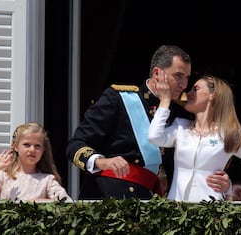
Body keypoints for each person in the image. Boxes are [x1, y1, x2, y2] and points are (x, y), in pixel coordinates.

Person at [66, 45, 231, 200]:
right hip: (107, 198)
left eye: (187, 78)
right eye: (178, 76)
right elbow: (76, 145)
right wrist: (102, 162)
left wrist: (224, 184)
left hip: (150, 202)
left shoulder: (179, 114)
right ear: (157, 73)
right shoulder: (119, 99)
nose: (184, 85)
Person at [148, 74, 241, 202]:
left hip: (210, 215)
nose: (188, 93)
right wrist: (165, 102)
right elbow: (154, 137)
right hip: (176, 211)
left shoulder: (228, 135)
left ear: (213, 96)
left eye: (196, 89)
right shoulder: (180, 127)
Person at [0, 122, 71, 202]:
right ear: (16, 146)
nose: (32, 150)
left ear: (43, 150)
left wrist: (35, 202)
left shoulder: (47, 180)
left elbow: (66, 202)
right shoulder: (4, 177)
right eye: (27, 145)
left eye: (37, 146)